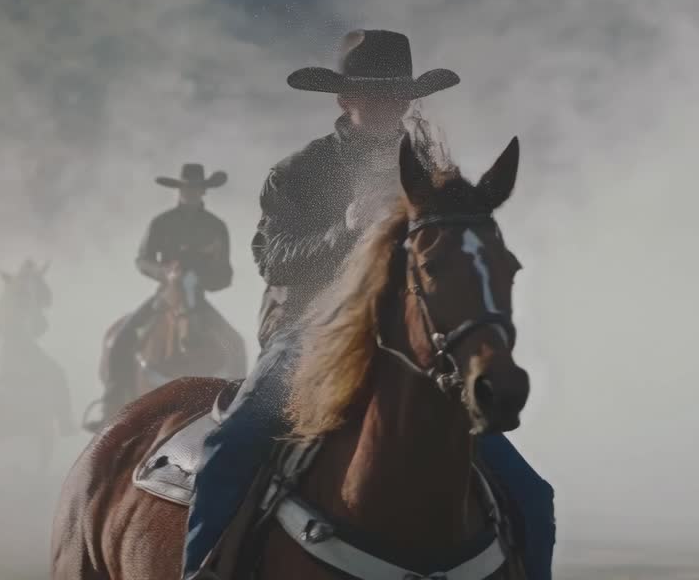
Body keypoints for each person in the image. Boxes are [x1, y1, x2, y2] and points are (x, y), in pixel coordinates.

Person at [182, 29, 556, 580]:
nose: (387, 106)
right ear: (344, 99)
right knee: (231, 446)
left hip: (410, 344)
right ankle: (200, 572)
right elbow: (273, 259)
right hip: (309, 335)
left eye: (397, 95)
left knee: (530, 492)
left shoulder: (430, 171)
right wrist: (346, 229)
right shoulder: (299, 172)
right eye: (373, 94)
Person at [86, 164, 232, 431]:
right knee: (121, 337)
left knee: (233, 343)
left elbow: (225, 274)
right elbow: (142, 260)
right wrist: (164, 272)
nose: (191, 193)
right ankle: (111, 404)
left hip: (197, 297)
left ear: (203, 191)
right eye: (187, 188)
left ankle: (236, 412)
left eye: (196, 188)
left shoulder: (216, 227)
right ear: (179, 190)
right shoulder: (161, 222)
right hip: (165, 295)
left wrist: (205, 276)